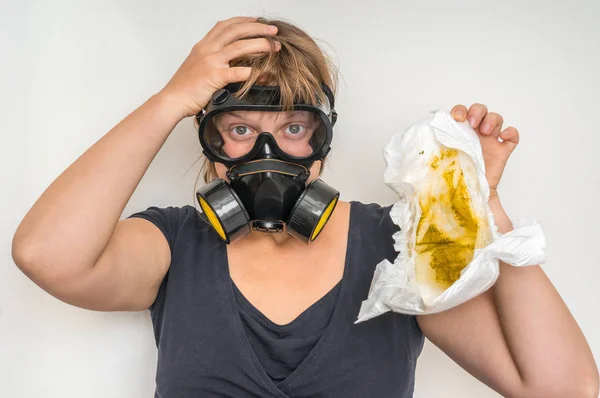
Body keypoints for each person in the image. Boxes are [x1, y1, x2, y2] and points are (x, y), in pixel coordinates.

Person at [12, 16, 599, 398]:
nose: (267, 150)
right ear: (207, 137)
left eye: (294, 126)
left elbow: (565, 390)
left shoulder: (396, 252)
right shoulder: (174, 245)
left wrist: (482, 202)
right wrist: (169, 99)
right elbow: (45, 254)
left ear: (324, 136)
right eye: (239, 128)